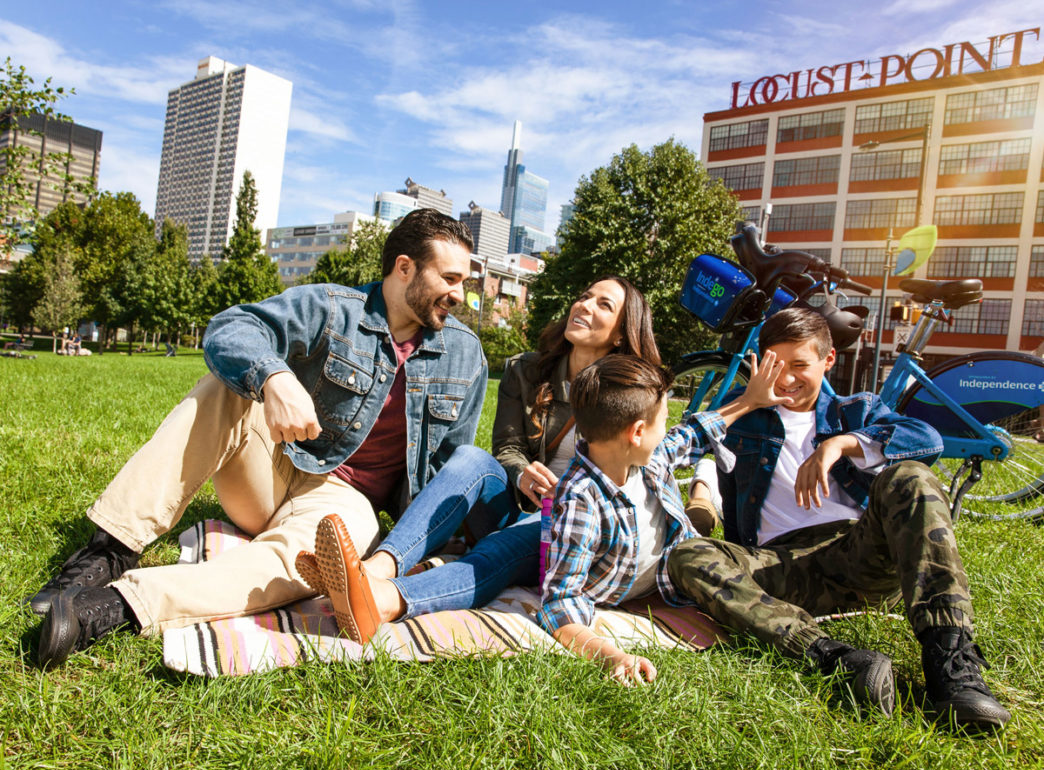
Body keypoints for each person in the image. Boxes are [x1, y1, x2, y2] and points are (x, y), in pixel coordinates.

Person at [30, 208, 488, 668]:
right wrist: (274, 379)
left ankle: (117, 607)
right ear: (404, 267)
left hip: (345, 506)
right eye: (450, 278)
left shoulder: (465, 355)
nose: (460, 294)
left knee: (314, 561)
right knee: (224, 389)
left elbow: (447, 471)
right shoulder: (331, 308)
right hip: (275, 466)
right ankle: (107, 551)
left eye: (464, 281)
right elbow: (230, 328)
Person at [667, 308, 1010, 730]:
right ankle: (836, 660)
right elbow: (678, 448)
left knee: (912, 476)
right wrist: (745, 403)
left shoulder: (856, 411)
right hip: (783, 567)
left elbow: (928, 440)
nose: (787, 379)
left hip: (861, 554)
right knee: (687, 555)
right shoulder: (743, 424)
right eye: (776, 365)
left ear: (827, 362)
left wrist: (840, 445)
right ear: (759, 363)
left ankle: (951, 663)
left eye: (800, 366)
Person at [299, 277, 661, 644]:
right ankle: (374, 569)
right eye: (584, 295)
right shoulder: (526, 371)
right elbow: (506, 447)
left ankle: (380, 601)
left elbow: (634, 472)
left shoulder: (630, 397)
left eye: (604, 305)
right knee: (471, 458)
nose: (584, 305)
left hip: (573, 529)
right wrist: (520, 474)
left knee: (499, 549)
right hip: (519, 504)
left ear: (621, 334)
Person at [536, 353, 780, 685]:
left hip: (676, 558)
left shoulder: (647, 456)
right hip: (655, 579)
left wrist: (750, 401)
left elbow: (693, 433)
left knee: (708, 534)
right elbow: (560, 601)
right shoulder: (581, 500)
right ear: (637, 432)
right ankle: (703, 490)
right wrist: (612, 656)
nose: (668, 427)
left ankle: (702, 491)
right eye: (665, 419)